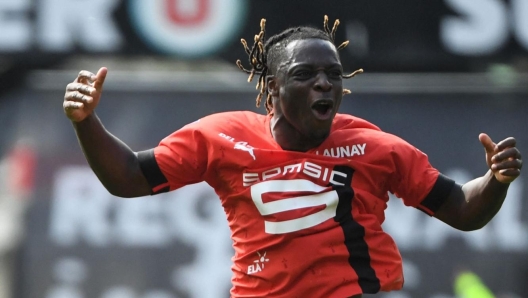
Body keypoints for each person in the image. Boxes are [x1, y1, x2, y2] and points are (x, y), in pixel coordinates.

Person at [63, 16, 522, 298]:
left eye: (333, 75)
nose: (325, 84)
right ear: (274, 89)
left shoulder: (376, 148)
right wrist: (87, 121)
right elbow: (127, 178)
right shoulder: (220, 136)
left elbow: (462, 209)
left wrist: (495, 181)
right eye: (306, 74)